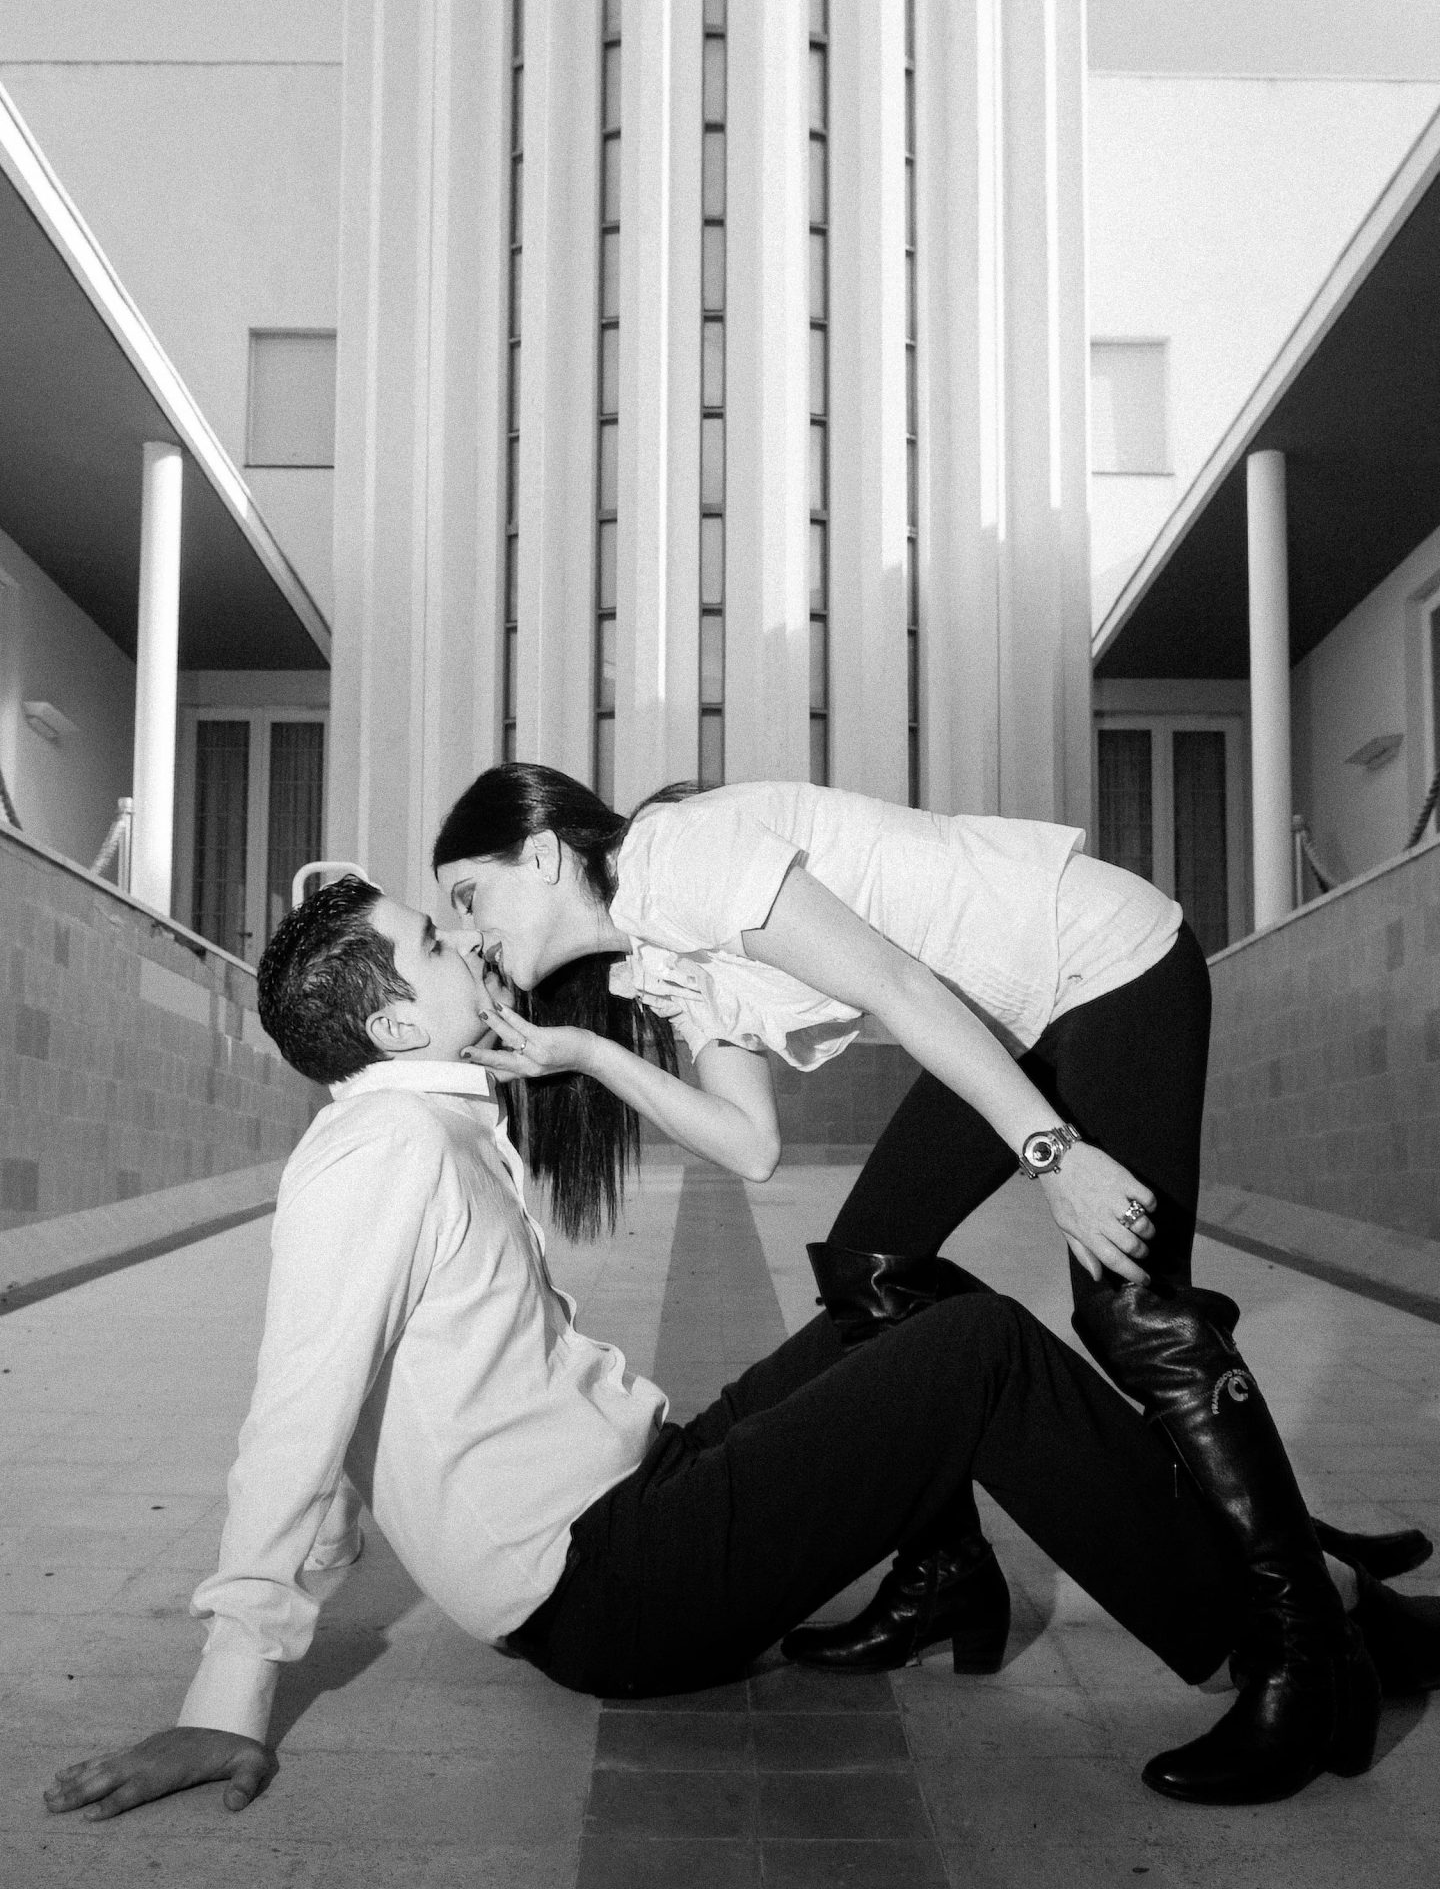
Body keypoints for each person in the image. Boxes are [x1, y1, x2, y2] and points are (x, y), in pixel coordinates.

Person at [42, 877, 1436, 1829]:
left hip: (650, 1486)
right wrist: (232, 1685)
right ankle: (1300, 1654)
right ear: (396, 1020)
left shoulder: (435, 1119)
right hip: (610, 1585)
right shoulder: (376, 1152)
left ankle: (1180, 1592)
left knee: (907, 1300)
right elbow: (298, 1409)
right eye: (431, 937)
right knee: (982, 1356)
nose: (464, 932)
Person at [431, 764, 1432, 1801]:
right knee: (875, 1271)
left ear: (542, 854)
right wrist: (589, 1052)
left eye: (468, 895)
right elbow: (751, 1141)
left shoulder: (673, 858)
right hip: (1011, 1016)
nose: (465, 933)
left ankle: (1306, 1656)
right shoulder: (656, 957)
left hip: (1101, 962)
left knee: (1132, 1307)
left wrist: (1055, 1156)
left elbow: (897, 988)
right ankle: (949, 1570)